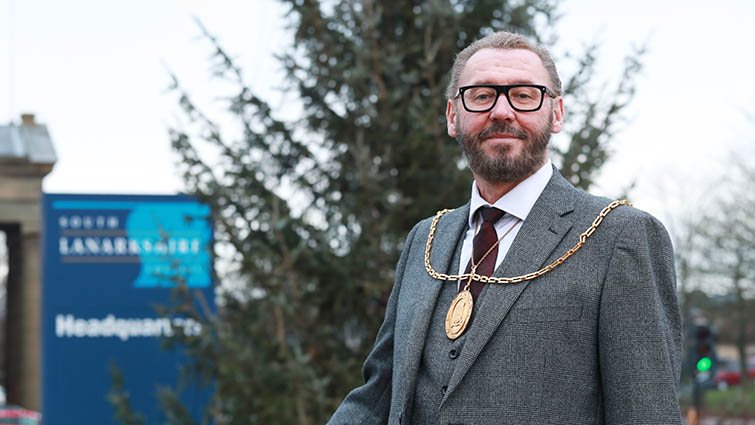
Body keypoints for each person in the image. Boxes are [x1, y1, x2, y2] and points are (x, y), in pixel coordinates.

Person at [328, 31, 682, 425]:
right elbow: (378, 396)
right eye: (481, 95)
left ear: (557, 113)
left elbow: (647, 413)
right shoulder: (425, 240)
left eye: (524, 95)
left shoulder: (620, 236)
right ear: (452, 116)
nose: (501, 111)